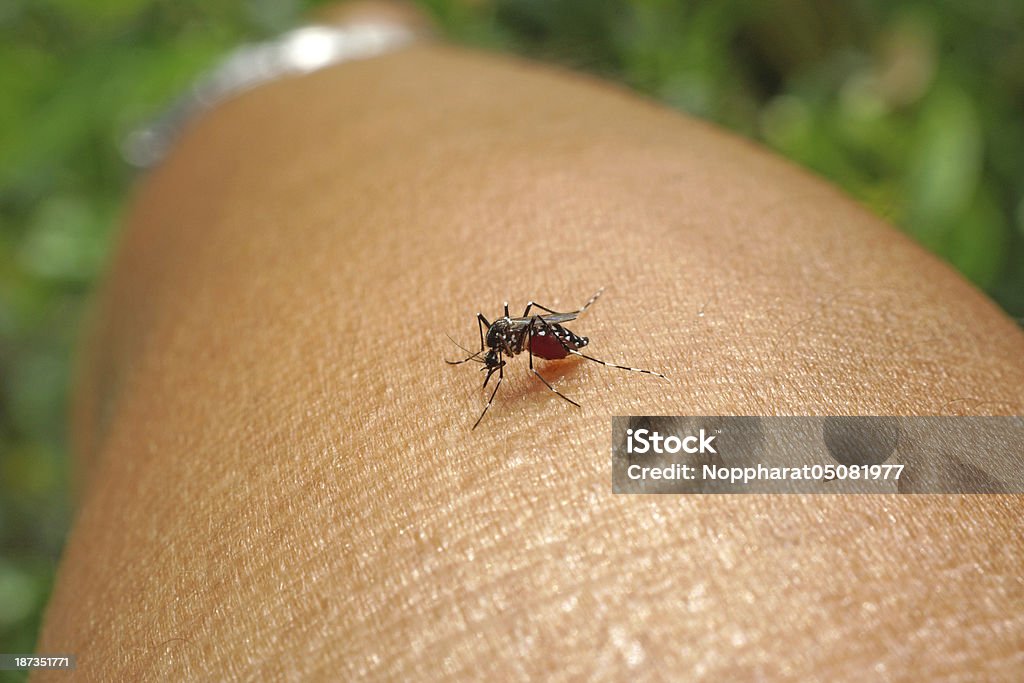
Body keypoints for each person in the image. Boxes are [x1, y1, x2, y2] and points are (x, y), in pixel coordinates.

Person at [37, 17, 1024, 680]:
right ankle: (363, 48)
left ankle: (347, 52)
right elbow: (973, 457)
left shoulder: (531, 355)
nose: (501, 356)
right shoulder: (984, 452)